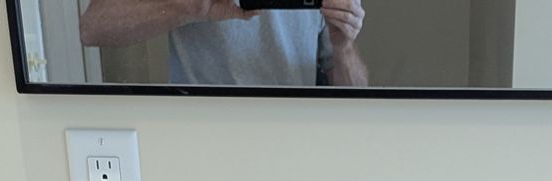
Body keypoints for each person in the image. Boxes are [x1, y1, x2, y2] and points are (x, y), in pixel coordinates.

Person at [80, 0, 367, 88]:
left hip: (294, 142)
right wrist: (192, 7)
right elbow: (93, 27)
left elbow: (356, 102)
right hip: (200, 139)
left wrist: (343, 47)